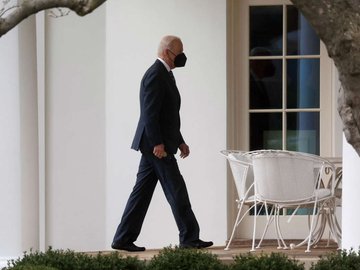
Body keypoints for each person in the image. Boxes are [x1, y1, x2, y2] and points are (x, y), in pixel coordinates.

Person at [111, 35, 213, 252]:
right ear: (168, 52)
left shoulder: (165, 75)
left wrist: (180, 141)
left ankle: (122, 238)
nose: (183, 57)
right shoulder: (155, 75)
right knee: (177, 190)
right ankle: (189, 238)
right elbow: (150, 113)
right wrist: (158, 143)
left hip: (159, 143)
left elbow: (167, 115)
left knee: (141, 193)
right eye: (180, 52)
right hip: (156, 146)